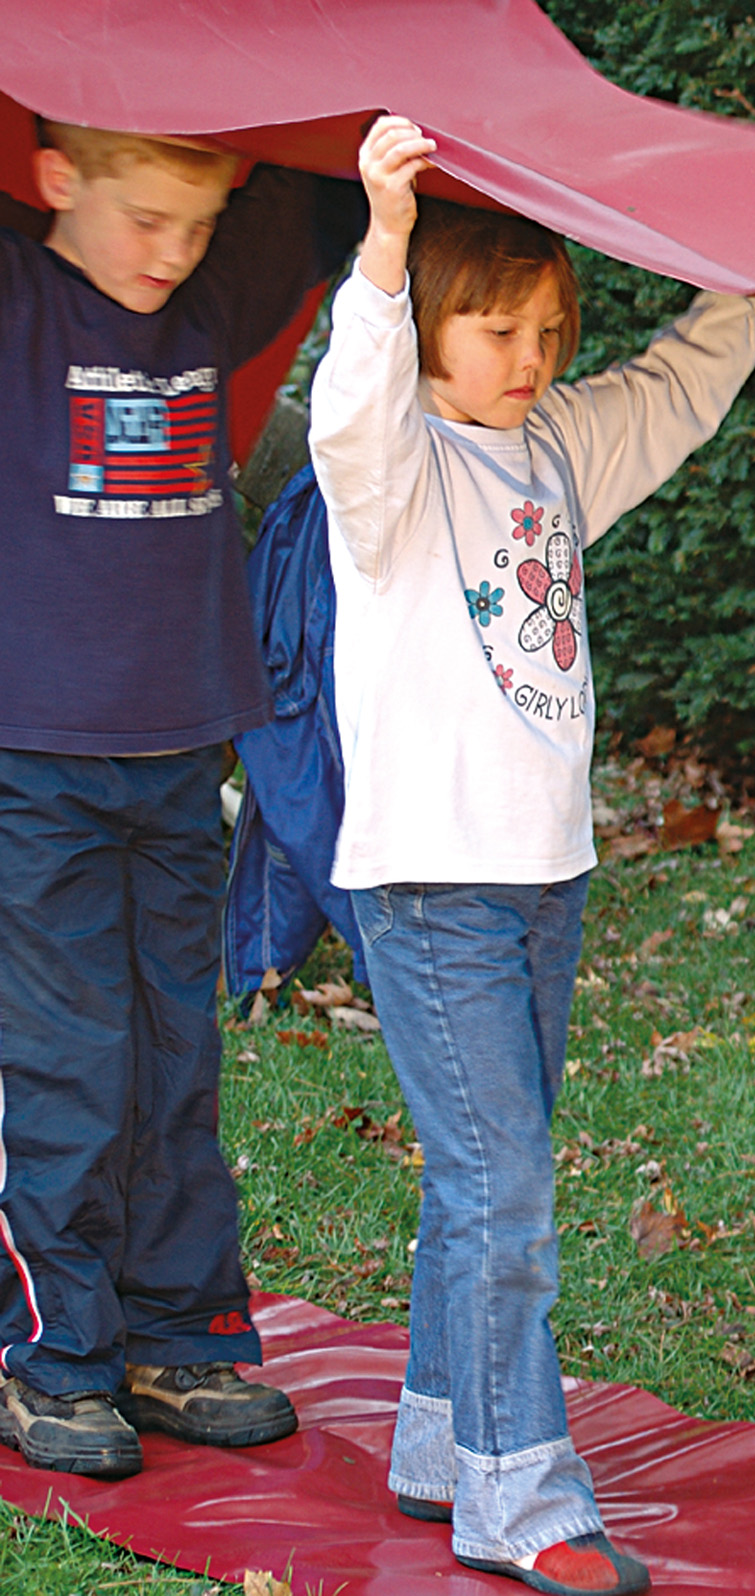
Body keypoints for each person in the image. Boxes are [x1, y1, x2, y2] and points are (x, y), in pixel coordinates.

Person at [311, 116, 755, 1596]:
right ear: (430, 329)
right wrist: (387, 249)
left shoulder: (557, 446)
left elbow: (678, 388)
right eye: (495, 329)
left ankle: (439, 1443)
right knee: (503, 1187)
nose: (530, 357)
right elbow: (348, 411)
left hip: (542, 876)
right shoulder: (392, 471)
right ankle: (518, 1497)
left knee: (483, 1180)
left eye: (549, 329)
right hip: (431, 881)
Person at [0, 118, 360, 1478]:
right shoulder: (19, 297)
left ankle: (178, 1333)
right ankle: (53, 1356)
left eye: (199, 221)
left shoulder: (208, 293)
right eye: (144, 217)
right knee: (65, 1061)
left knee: (172, 1053)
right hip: (31, 763)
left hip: (174, 757)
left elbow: (332, 168)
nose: (172, 249)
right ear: (57, 178)